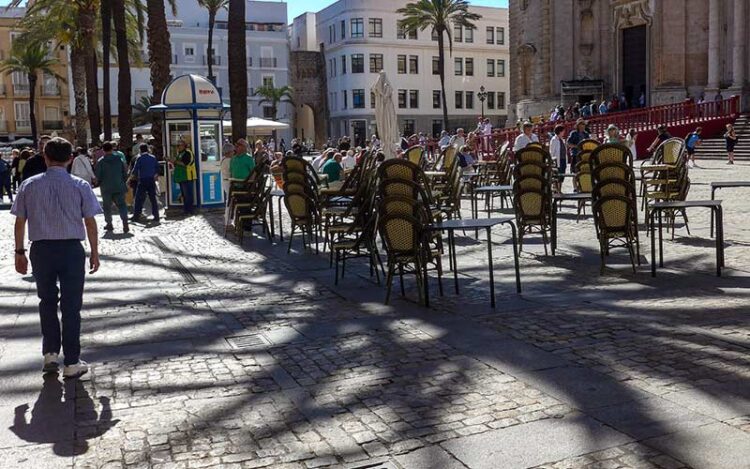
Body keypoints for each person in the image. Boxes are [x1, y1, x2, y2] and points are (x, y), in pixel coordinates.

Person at [11, 137, 101, 379]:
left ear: (45, 157)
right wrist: (94, 251)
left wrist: (19, 252)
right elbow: (90, 222)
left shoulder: (29, 185)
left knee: (47, 301)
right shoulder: (80, 185)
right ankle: (72, 361)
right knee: (72, 306)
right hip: (71, 250)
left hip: (41, 250)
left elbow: (20, 221)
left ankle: (50, 353)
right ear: (70, 158)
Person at [96, 142, 129, 233]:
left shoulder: (101, 161)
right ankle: (125, 222)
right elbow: (124, 172)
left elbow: (98, 175)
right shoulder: (119, 159)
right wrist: (123, 181)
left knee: (107, 207)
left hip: (106, 188)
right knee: (122, 205)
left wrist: (98, 183)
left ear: (103, 150)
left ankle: (109, 224)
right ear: (112, 149)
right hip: (119, 185)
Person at [130, 144, 160, 223]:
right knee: (153, 198)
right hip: (151, 180)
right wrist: (155, 174)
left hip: (142, 180)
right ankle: (156, 216)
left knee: (138, 198)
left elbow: (135, 170)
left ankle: (136, 215)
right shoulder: (153, 158)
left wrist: (129, 179)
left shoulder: (139, 158)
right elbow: (157, 168)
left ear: (140, 150)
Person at [173, 140, 196, 214]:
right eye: (177, 146)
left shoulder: (188, 152)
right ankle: (186, 210)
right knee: (184, 195)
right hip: (181, 177)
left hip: (187, 176)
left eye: (179, 145)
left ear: (183, 146)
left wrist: (174, 161)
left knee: (188, 194)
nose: (178, 147)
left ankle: (189, 210)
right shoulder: (180, 153)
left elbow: (185, 163)